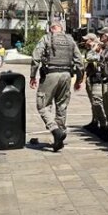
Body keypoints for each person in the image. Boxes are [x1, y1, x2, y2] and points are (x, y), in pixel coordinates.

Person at [30, 19, 83, 152]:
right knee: (62, 106)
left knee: (42, 105)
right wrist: (79, 80)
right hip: (66, 75)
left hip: (50, 74)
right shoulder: (70, 40)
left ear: (50, 29)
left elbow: (36, 57)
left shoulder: (46, 38)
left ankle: (55, 130)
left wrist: (32, 76)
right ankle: (59, 137)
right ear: (62, 28)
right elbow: (80, 62)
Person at [79, 33, 104, 134]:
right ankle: (95, 121)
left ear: (91, 40)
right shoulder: (89, 50)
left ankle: (103, 124)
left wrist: (93, 49)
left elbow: (90, 58)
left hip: (98, 79)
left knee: (97, 101)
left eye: (86, 40)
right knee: (93, 102)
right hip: (91, 77)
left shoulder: (98, 49)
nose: (84, 42)